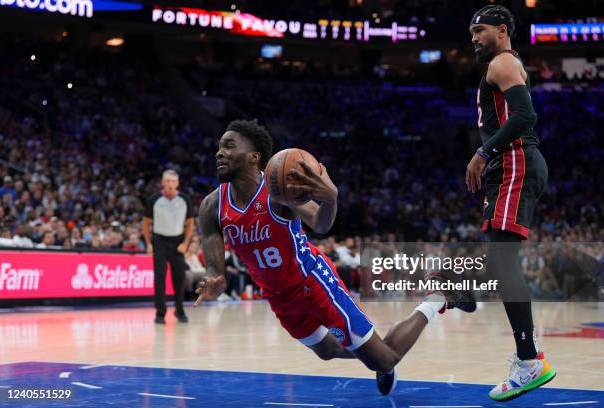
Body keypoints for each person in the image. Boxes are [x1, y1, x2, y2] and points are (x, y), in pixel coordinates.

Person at [194, 119, 472, 395]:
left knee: (385, 359)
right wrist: (213, 281)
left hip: (313, 282)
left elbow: (320, 223)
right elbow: (215, 268)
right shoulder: (211, 206)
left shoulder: (278, 191)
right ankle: (371, 350)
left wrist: (331, 199)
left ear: (254, 157)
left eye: (229, 146)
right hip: (278, 296)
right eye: (219, 146)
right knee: (327, 351)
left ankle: (436, 298)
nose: (219, 152)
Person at [466, 5, 555, 401]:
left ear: (502, 31)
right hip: (510, 166)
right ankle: (465, 291)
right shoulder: (501, 64)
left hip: (514, 162)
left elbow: (525, 115)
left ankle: (529, 361)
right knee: (500, 259)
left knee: (502, 261)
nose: (474, 38)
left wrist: (484, 152)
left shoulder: (501, 62)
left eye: (480, 30)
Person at [143, 169, 195, 324]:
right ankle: (160, 313)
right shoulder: (154, 200)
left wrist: (185, 243)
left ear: (177, 183)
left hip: (178, 242)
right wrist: (148, 243)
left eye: (173, 181)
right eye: (168, 181)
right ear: (163, 183)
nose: (171, 184)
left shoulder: (185, 200)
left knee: (179, 279)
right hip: (159, 241)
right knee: (159, 279)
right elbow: (146, 223)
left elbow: (190, 223)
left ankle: (179, 310)